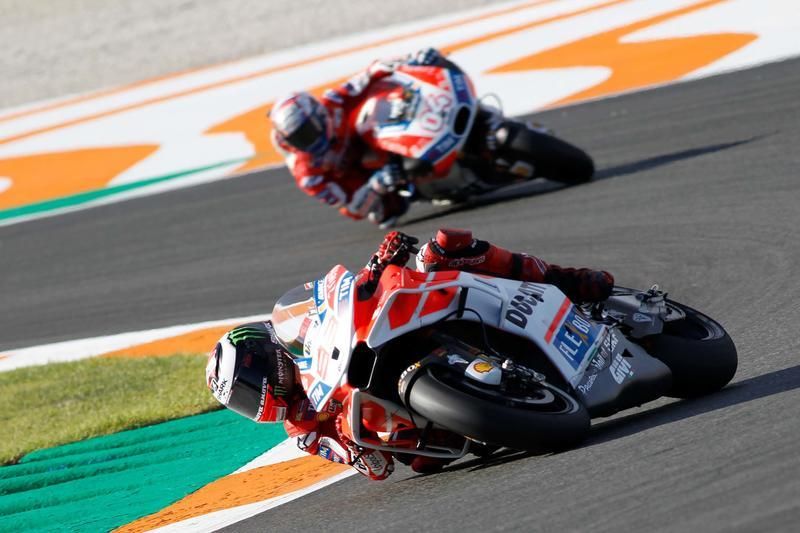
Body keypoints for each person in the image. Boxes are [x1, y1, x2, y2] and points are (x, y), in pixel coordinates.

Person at [205, 228, 614, 480]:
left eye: (249, 383)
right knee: (421, 464)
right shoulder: (304, 430)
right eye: (243, 399)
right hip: (404, 410)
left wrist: (378, 264)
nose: (257, 396)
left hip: (380, 335)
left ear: (264, 350)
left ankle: (563, 278)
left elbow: (340, 296)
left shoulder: (297, 322)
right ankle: (496, 406)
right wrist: (356, 445)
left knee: (442, 249)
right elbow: (375, 468)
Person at [269, 48, 447, 226]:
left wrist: (412, 59)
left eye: (307, 133)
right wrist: (378, 184)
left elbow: (371, 72)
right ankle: (427, 187)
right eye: (298, 140)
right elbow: (352, 208)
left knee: (380, 94)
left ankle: (434, 121)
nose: (309, 142)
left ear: (319, 114)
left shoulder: (333, 101)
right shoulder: (308, 175)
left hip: (378, 138)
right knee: (386, 211)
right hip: (366, 177)